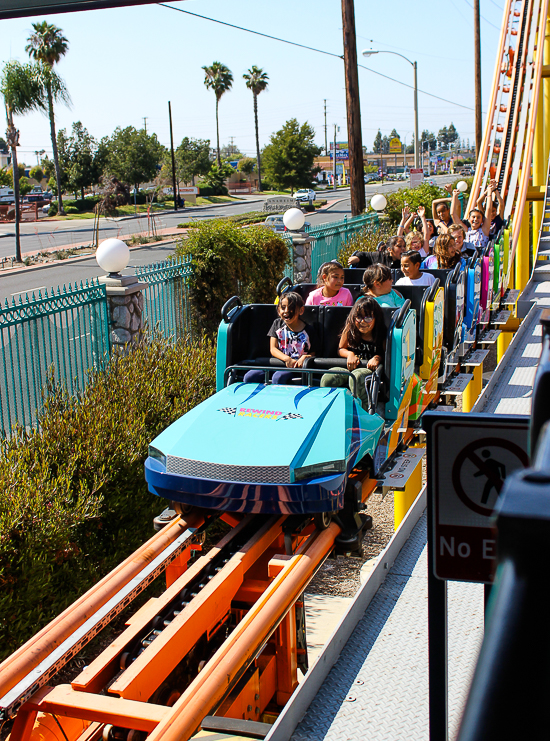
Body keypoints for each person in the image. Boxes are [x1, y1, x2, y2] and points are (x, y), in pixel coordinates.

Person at [320, 297, 386, 411]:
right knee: (328, 377)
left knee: (357, 377)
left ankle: (362, 412)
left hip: (368, 370)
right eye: (359, 317)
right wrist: (350, 355)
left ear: (376, 318)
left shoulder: (381, 334)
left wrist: (377, 358)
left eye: (368, 317)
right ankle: (329, 410)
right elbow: (341, 348)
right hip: (349, 367)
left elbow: (387, 354)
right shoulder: (350, 329)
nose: (363, 322)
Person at [243, 292, 318, 385]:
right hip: (277, 364)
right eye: (283, 307)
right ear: (279, 310)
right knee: (250, 376)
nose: (286, 311)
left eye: (291, 308)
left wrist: (305, 358)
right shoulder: (277, 324)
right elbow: (273, 348)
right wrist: (287, 359)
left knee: (279, 377)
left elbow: (313, 352)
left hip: (295, 368)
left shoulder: (309, 330)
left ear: (301, 310)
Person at [452, 185, 493, 251]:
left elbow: (488, 209)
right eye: (473, 217)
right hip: (467, 257)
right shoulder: (466, 231)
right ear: (468, 219)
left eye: (478, 217)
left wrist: (489, 192)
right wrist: (454, 196)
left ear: (482, 220)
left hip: (479, 257)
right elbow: (453, 214)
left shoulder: (484, 230)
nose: (475, 219)